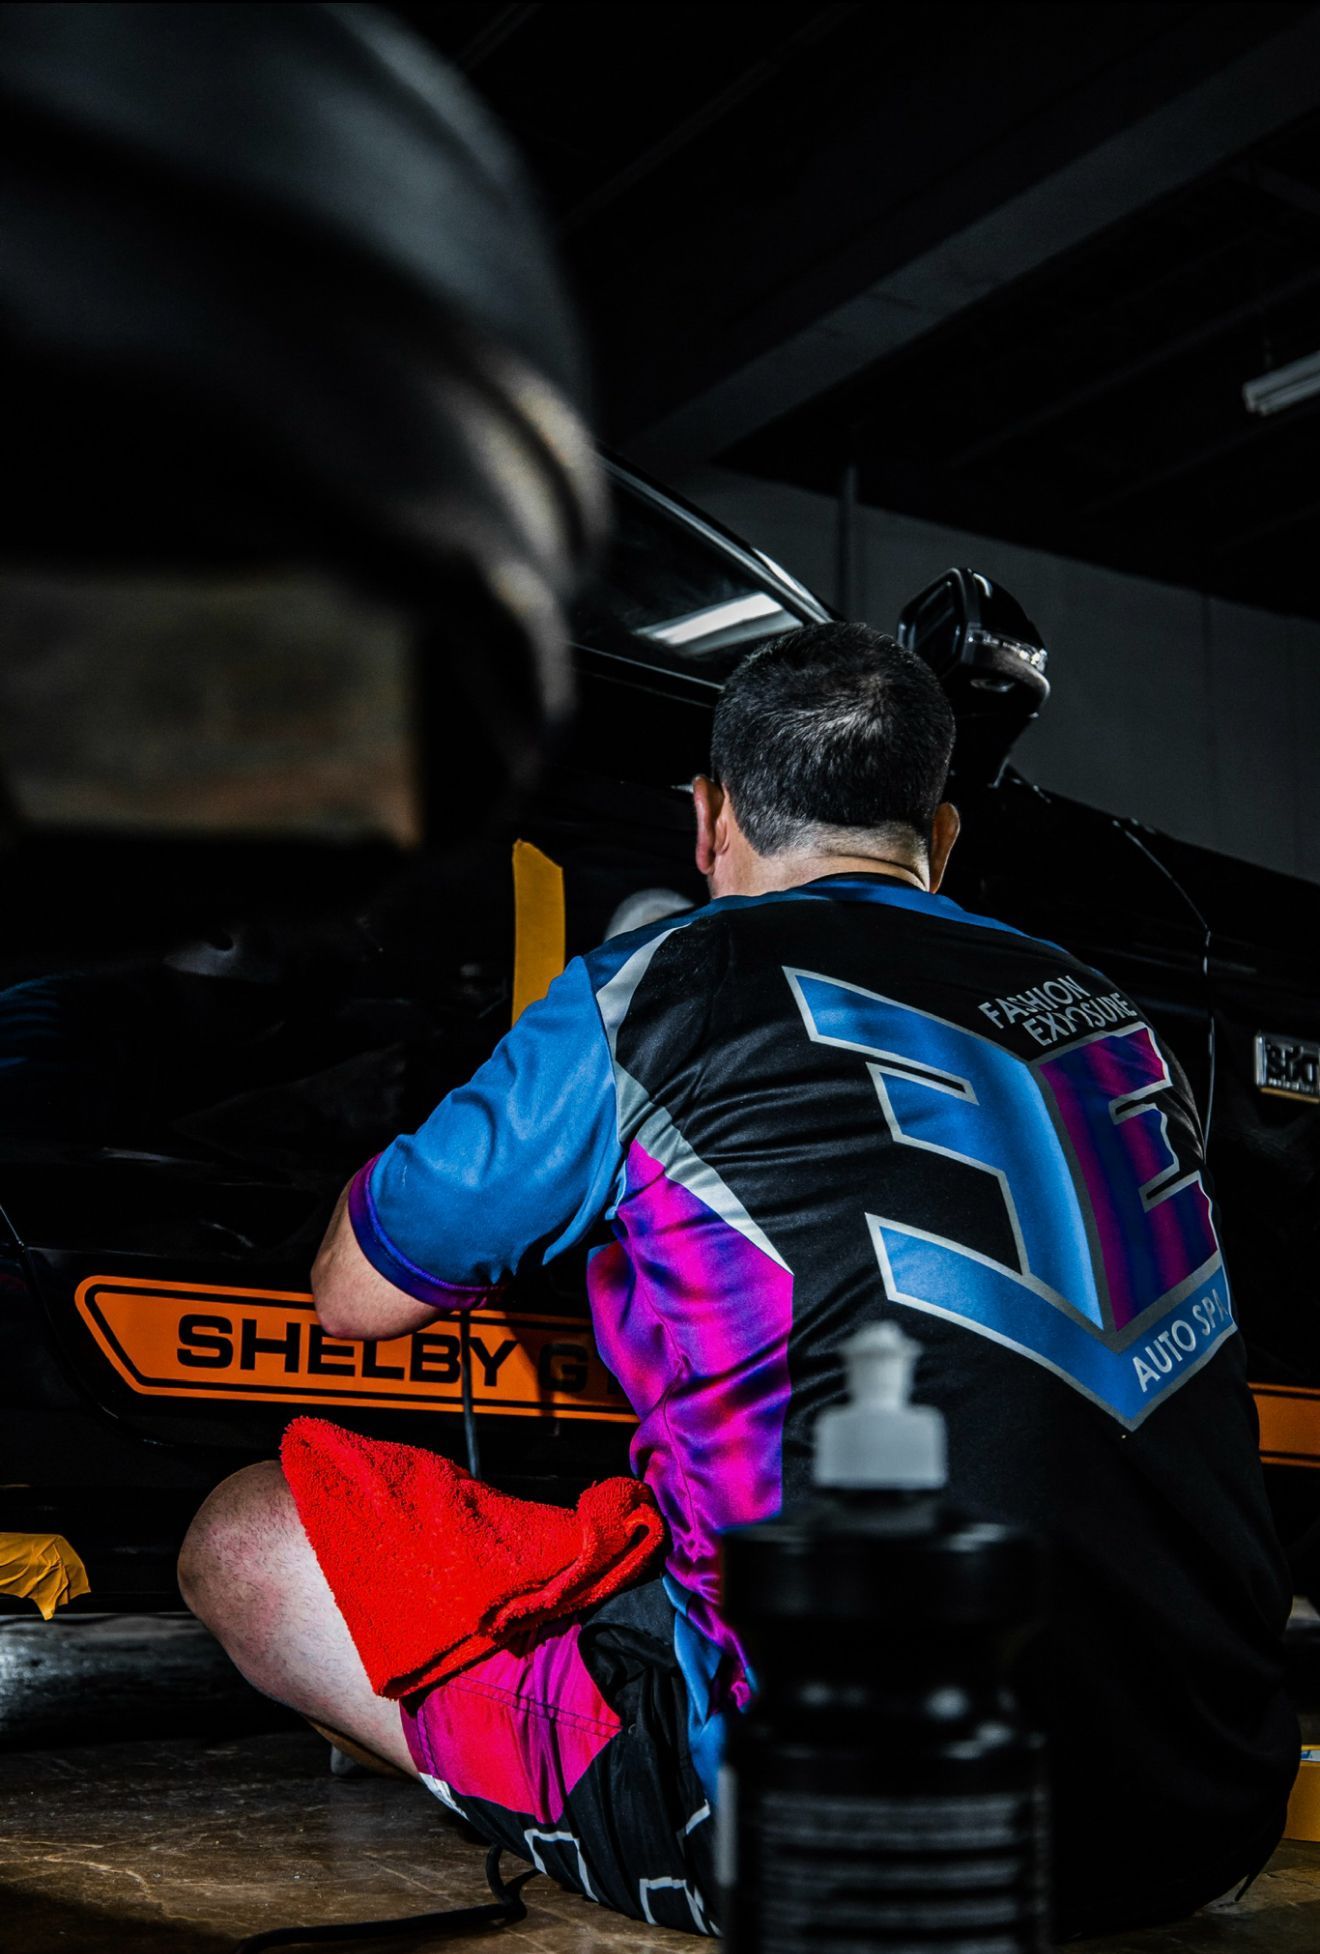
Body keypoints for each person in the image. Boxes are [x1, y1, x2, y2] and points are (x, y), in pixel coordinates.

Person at [180, 623, 1299, 1938]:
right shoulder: (1105, 1014)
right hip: (1208, 1804)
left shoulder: (648, 999)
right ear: (939, 837)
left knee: (249, 1539)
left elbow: (354, 1294)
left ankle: (559, 1786)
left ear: (707, 822)